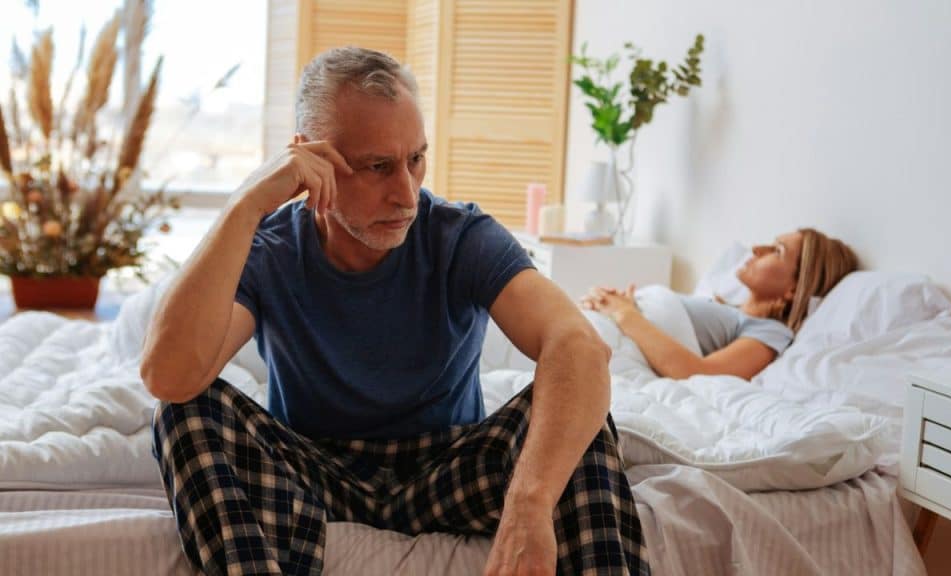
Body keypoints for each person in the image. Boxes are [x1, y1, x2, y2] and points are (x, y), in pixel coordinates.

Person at [141, 46, 648, 576]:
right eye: (378, 167)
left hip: (447, 470)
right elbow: (168, 377)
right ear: (308, 158)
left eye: (416, 160)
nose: (406, 194)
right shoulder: (270, 249)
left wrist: (530, 502)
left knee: (580, 413)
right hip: (314, 473)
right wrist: (245, 204)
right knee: (183, 413)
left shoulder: (461, 236)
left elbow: (580, 346)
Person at [580, 229, 857, 380]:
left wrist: (624, 312)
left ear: (793, 290)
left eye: (777, 251)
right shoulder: (725, 307)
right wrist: (617, 304)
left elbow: (699, 374)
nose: (757, 249)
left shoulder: (770, 331)